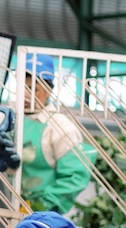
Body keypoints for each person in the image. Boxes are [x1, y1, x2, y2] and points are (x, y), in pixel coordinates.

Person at [20, 52, 95, 213]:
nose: (26, 94)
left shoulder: (61, 127)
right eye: (22, 86)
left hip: (39, 219)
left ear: (48, 92)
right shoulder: (8, 119)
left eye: (33, 88)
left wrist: (39, 208)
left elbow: (75, 177)